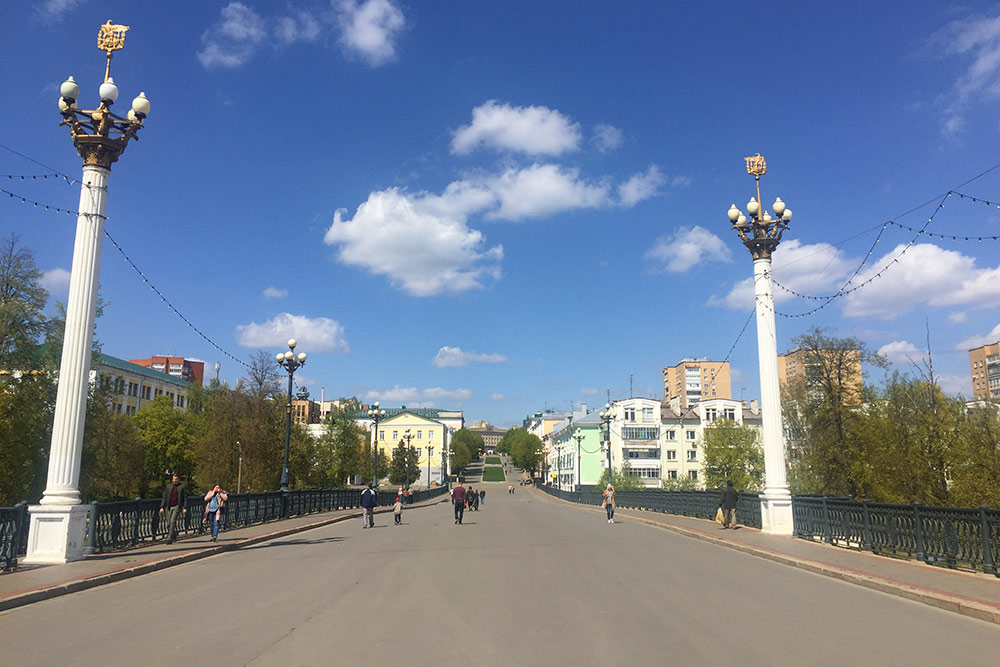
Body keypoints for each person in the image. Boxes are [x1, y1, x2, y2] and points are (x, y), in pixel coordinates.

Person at [159, 473, 187, 544]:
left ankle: (169, 538)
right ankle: (173, 535)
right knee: (168, 523)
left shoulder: (182, 487)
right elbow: (165, 496)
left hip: (177, 506)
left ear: (178, 479)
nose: (175, 480)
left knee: (172, 521)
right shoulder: (169, 486)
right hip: (169, 506)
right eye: (174, 479)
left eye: (176, 479)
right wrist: (162, 506)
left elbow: (185, 498)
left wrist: (184, 507)